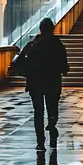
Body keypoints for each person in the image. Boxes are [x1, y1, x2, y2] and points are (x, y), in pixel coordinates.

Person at [18, 18, 69, 152]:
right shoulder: (58, 45)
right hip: (52, 82)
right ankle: (52, 128)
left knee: (38, 113)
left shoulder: (32, 45)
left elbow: (20, 61)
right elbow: (64, 65)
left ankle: (40, 141)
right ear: (52, 29)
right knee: (52, 109)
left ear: (40, 29)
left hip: (35, 84)